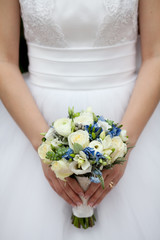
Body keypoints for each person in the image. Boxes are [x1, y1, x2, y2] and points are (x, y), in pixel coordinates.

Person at [0, 0, 160, 239]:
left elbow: (156, 54)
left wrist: (124, 145)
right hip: (33, 118)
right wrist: (46, 148)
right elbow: (3, 60)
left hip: (132, 115)